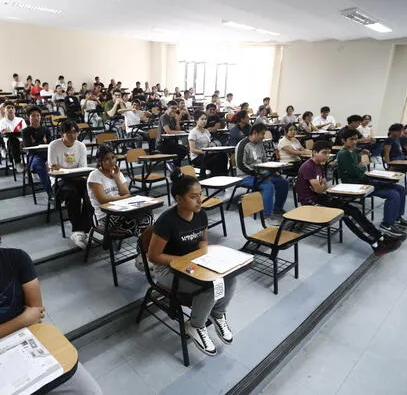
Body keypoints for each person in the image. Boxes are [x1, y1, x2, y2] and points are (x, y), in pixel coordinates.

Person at [0, 199, 103, 394]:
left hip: (30, 344)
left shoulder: (17, 259)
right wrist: (23, 319)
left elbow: (36, 312)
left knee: (91, 392)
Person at [148, 175, 236, 356]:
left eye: (200, 194)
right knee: (210, 285)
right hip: (167, 269)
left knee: (230, 277)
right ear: (179, 199)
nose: (199, 200)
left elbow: (203, 241)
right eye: (193, 196)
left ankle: (218, 313)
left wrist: (204, 257)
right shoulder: (167, 221)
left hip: (191, 262)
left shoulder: (201, 214)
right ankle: (195, 325)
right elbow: (154, 256)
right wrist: (185, 262)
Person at [296, 140, 402, 256]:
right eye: (324, 153)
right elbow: (319, 189)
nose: (327, 156)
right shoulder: (308, 167)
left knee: (353, 209)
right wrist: (320, 186)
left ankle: (380, 237)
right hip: (310, 202)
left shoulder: (319, 166)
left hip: (321, 198)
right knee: (346, 214)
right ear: (314, 152)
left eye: (328, 153)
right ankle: (375, 244)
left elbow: (324, 186)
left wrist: (320, 186)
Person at [336, 128, 407, 237]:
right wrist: (361, 167)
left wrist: (361, 164)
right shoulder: (343, 154)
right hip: (355, 185)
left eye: (356, 139)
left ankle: (397, 218)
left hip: (363, 179)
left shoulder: (352, 150)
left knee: (400, 188)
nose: (354, 142)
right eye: (351, 139)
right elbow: (357, 171)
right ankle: (386, 224)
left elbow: (360, 166)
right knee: (393, 194)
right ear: (343, 140)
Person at [87, 145, 153, 236]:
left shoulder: (117, 173)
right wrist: (122, 198)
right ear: (99, 161)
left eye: (113, 157)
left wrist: (117, 178)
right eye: (107, 159)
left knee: (147, 213)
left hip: (122, 211)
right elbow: (102, 200)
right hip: (106, 217)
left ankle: (144, 242)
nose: (111, 162)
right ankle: (144, 242)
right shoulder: (94, 175)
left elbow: (126, 193)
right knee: (138, 224)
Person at [48, 120, 93, 249]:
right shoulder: (54, 145)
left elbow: (83, 168)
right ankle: (77, 231)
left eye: (75, 132)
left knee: (91, 191)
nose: (73, 136)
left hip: (77, 178)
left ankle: (84, 228)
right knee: (72, 194)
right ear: (62, 134)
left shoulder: (81, 146)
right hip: (59, 181)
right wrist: (64, 170)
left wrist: (65, 169)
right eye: (69, 132)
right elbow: (54, 169)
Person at [235, 123, 289, 225]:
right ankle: (267, 215)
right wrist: (256, 173)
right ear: (254, 133)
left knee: (283, 182)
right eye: (262, 134)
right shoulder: (243, 145)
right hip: (246, 176)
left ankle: (277, 208)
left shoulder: (260, 143)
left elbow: (264, 159)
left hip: (262, 174)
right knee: (269, 187)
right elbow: (241, 165)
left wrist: (272, 170)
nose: (264, 137)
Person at [22, 106, 53, 197]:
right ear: (29, 118)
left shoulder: (45, 130)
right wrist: (42, 142)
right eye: (33, 116)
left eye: (38, 115)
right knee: (40, 167)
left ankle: (60, 189)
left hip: (47, 154)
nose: (36, 118)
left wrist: (36, 142)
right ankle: (51, 192)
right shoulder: (25, 131)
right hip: (33, 156)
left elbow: (51, 144)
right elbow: (29, 146)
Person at [188, 111, 228, 176]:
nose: (204, 121)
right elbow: (192, 149)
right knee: (216, 159)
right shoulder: (193, 132)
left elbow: (209, 144)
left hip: (208, 154)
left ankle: (223, 176)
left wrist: (213, 150)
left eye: (205, 119)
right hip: (197, 157)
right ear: (196, 120)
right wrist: (205, 152)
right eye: (202, 119)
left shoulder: (206, 131)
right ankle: (214, 178)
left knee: (223, 155)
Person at [158, 100, 189, 166]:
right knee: (182, 151)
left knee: (185, 149)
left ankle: (175, 165)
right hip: (163, 144)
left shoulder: (173, 117)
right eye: (172, 108)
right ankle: (173, 165)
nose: (174, 110)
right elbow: (168, 131)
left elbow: (178, 129)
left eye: (175, 108)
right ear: (168, 107)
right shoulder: (164, 117)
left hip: (172, 142)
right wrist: (181, 132)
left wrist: (177, 120)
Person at [0, 102, 27, 172]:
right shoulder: (2, 121)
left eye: (12, 108)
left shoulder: (21, 120)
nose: (10, 109)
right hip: (9, 143)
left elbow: (25, 132)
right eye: (8, 108)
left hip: (23, 142)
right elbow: (6, 133)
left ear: (15, 110)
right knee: (13, 139)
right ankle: (17, 162)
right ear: (4, 110)